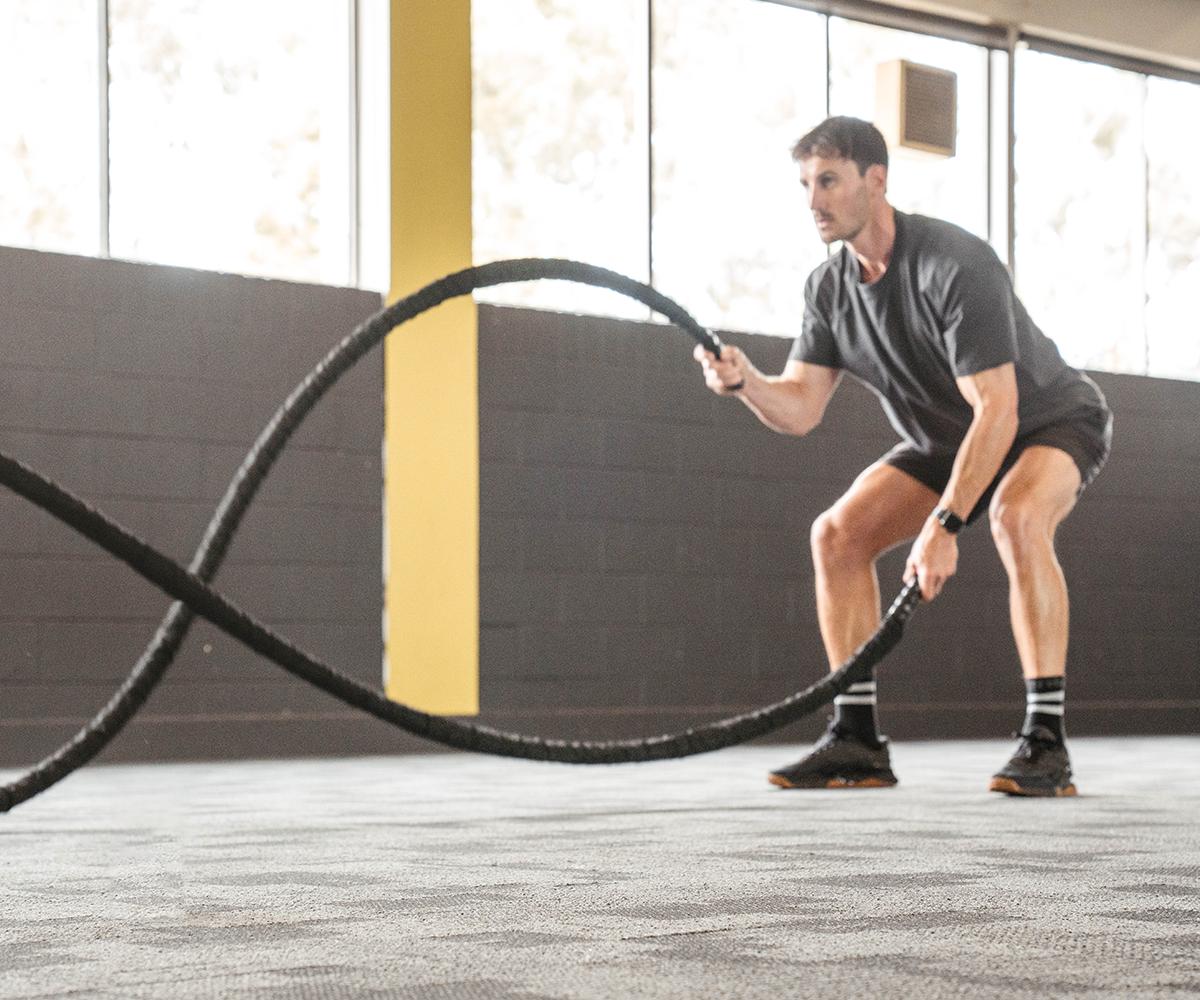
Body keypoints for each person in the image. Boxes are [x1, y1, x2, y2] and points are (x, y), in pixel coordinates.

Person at [694, 116, 1111, 797]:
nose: (813, 201)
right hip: (944, 439)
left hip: (1047, 421)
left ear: (875, 180)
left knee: (1015, 516)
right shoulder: (827, 290)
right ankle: (856, 740)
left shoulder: (955, 264)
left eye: (828, 180)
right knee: (836, 535)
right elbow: (800, 406)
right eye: (804, 184)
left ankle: (1046, 740)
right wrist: (747, 384)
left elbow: (998, 411)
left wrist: (945, 526)